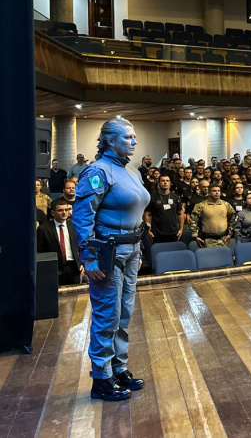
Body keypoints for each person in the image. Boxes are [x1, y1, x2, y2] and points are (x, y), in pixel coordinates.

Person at [72, 118, 149, 402]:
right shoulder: (97, 172)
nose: (134, 141)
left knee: (124, 315)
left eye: (134, 136)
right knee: (107, 316)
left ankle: (118, 368)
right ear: (110, 141)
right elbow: (82, 217)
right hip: (107, 253)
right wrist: (88, 256)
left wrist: (138, 251)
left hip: (131, 252)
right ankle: (101, 378)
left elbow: (138, 216)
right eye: (128, 137)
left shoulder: (132, 171)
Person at [37, 197, 82, 286]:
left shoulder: (74, 226)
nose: (64, 212)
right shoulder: (44, 229)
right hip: (54, 268)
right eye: (60, 210)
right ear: (53, 213)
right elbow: (39, 250)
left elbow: (80, 245)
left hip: (73, 267)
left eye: (66, 210)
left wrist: (82, 263)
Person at [143, 174, 185, 245]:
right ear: (158, 183)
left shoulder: (176, 197)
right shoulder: (152, 197)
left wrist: (181, 229)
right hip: (157, 233)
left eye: (167, 181)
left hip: (173, 232)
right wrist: (149, 230)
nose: (165, 182)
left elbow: (180, 214)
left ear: (170, 183)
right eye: (162, 181)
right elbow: (147, 215)